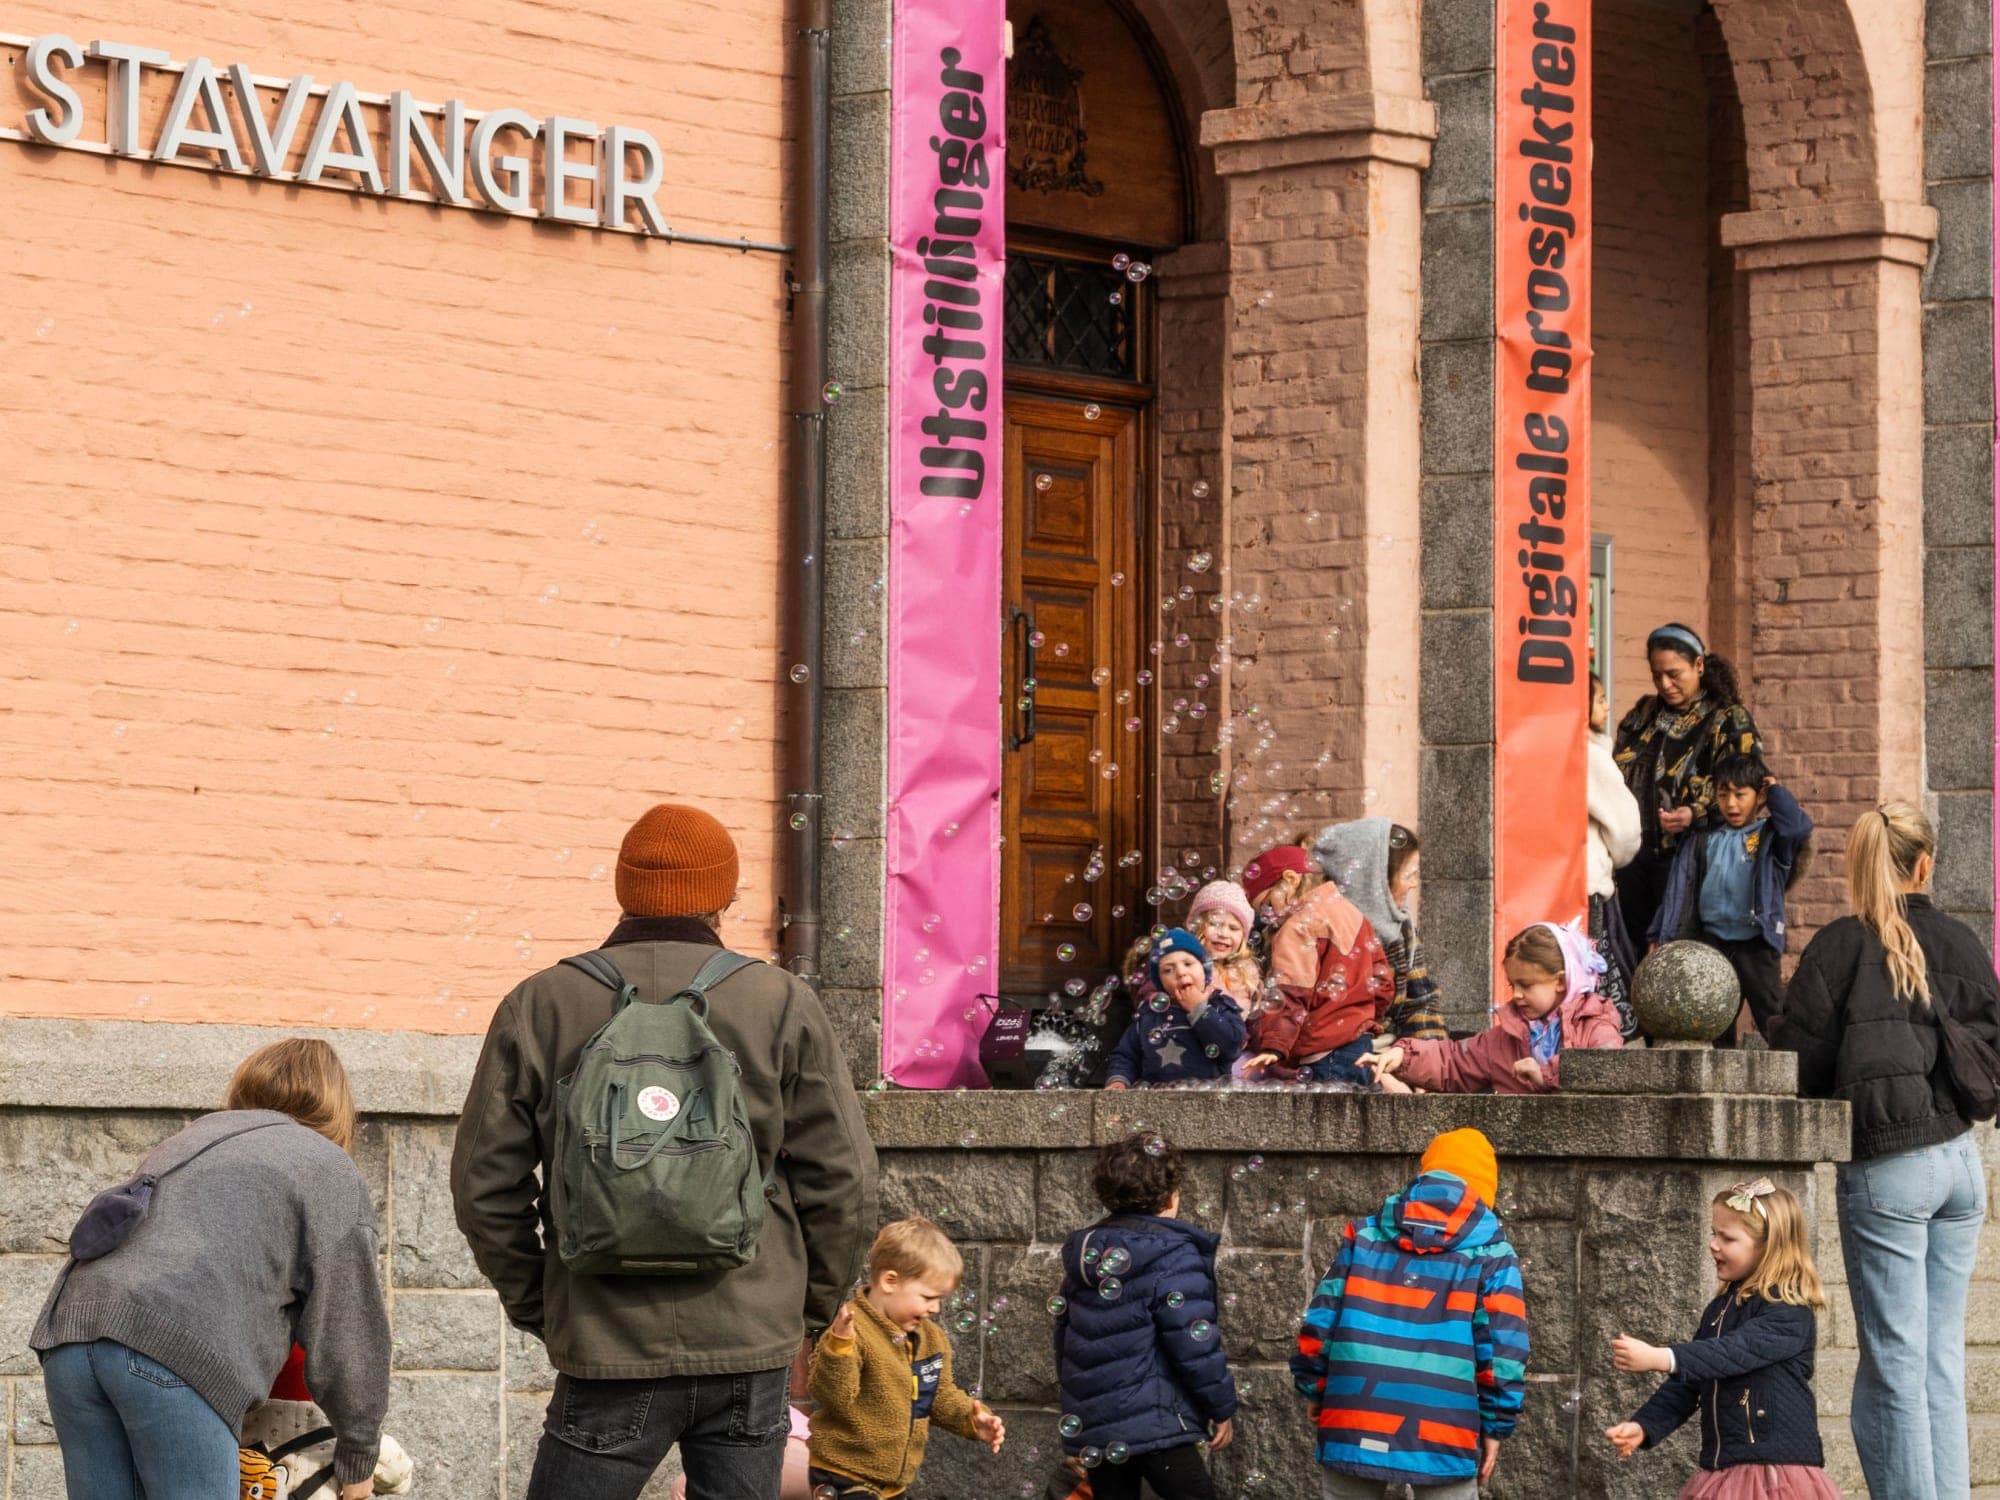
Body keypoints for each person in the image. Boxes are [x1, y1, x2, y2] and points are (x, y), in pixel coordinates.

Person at [451, 802, 878, 1500]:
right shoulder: (780, 1001)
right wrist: (801, 1310)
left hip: (604, 1338)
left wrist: (543, 1302)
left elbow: (482, 1186)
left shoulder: (541, 1002)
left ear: (623, 890)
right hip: (750, 1332)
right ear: (724, 898)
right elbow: (846, 1181)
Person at [32, 1039, 389, 1500]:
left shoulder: (193, 1138)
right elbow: (349, 1328)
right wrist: (359, 1459)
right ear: (337, 1106)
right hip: (166, 1350)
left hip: (72, 1339)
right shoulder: (327, 1166)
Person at [1770, 802, 1998, 1500]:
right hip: (1961, 1163)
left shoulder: (1839, 946)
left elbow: (1796, 1057)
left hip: (1889, 1168)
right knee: (1937, 1361)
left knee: (1896, 1363)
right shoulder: (1960, 939)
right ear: (1924, 864)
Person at [1291, 1128, 1526, 1498]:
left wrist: (1315, 1387)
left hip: (1355, 1403)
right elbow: (1502, 1351)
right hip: (1443, 1420)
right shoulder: (1492, 1253)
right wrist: (1496, 1425)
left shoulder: (1365, 1234)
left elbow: (1321, 1324)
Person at [1605, 1180, 1840, 1499]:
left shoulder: (1789, 1309)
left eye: (1727, 1237)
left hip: (1775, 1476)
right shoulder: (1719, 1310)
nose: (1713, 1245)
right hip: (1725, 1469)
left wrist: (1663, 1357)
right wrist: (1644, 1426)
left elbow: (1734, 1351)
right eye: (1713, 1233)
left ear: (1768, 1246)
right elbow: (1686, 1386)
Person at [1052, 1132, 1236, 1500]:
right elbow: (1194, 1344)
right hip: (1158, 1424)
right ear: (1171, 1197)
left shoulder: (1087, 1254)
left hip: (1099, 1426)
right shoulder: (1174, 1255)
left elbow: (1064, 1341)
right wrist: (1221, 1407)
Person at [806, 1217, 1005, 1498]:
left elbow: (940, 1395)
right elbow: (833, 1395)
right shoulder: (851, 1330)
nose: (935, 1308)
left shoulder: (932, 1339)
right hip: (845, 1473)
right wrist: (839, 1347)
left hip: (892, 1482)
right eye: (927, 1297)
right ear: (890, 1281)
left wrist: (972, 1419)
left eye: (940, 1300)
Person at [1612, 622, 1763, 951]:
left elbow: (1750, 788)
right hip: (1634, 857)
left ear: (1698, 665)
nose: (1664, 684)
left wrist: (1696, 813)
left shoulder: (1728, 719)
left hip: (1691, 857)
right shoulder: (1643, 714)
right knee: (1635, 952)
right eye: (1656, 675)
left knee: (1681, 952)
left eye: (1673, 674)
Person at [1650, 753, 1813, 1043]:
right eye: (1723, 795)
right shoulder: (1705, 838)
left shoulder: (1770, 836)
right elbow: (1678, 890)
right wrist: (1658, 933)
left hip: (1756, 943)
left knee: (1772, 1012)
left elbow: (1796, 826)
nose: (1731, 804)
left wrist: (1774, 788)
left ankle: (1796, 1073)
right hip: (1713, 942)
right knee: (1714, 1017)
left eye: (1741, 795)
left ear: (1759, 794)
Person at [1363, 923, 1623, 1094]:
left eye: (1526, 985)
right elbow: (1453, 1060)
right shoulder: (1506, 1036)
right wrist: (1403, 1056)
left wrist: (1546, 1075)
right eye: (1513, 985)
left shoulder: (1595, 1022)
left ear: (1559, 980)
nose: (1517, 995)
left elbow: (1608, 1068)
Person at [1239, 845, 1394, 1085]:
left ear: (1290, 879)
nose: (1270, 917)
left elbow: (1288, 993)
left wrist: (1274, 1046)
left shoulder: (1297, 927)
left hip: (1322, 1053)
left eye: (1268, 905)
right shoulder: (1352, 913)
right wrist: (1363, 1018)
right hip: (1361, 1047)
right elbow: (1383, 983)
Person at [1312, 819, 1449, 1040]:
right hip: (1339, 1052)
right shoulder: (1324, 930)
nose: (1413, 884)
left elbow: (1420, 1001)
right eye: (1408, 875)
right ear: (1375, 879)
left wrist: (1431, 1057)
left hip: (1394, 1050)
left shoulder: (1402, 927)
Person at [1104, 928, 1246, 1089]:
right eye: (1168, 970)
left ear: (1204, 969)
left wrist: (1199, 1009)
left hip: (1209, 1100)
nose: (1180, 972)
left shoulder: (1220, 1006)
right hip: (1158, 1100)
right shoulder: (1149, 1015)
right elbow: (1126, 1054)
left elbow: (1230, 1047)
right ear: (1160, 982)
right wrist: (1119, 1080)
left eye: (1188, 963)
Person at [1588, 672, 1644, 1037]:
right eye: (1600, 698)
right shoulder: (1590, 755)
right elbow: (1626, 830)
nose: (1607, 706)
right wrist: (1614, 859)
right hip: (1592, 882)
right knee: (1608, 974)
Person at [1185, 880, 1263, 1007]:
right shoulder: (1183, 967)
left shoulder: (1247, 975)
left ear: (1243, 937)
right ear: (1197, 926)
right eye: (1215, 924)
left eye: (1233, 928)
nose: (1223, 934)